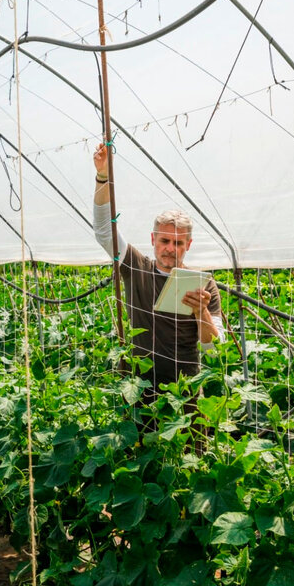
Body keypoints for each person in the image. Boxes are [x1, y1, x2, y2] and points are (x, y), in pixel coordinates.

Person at [92, 143, 224, 404]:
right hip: (138, 391)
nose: (170, 250)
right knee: (137, 445)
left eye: (178, 243)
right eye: (164, 241)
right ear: (153, 239)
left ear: (188, 245)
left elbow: (213, 351)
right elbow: (104, 231)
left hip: (183, 397)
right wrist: (103, 177)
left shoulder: (204, 285)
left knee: (189, 446)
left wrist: (201, 313)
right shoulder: (136, 266)